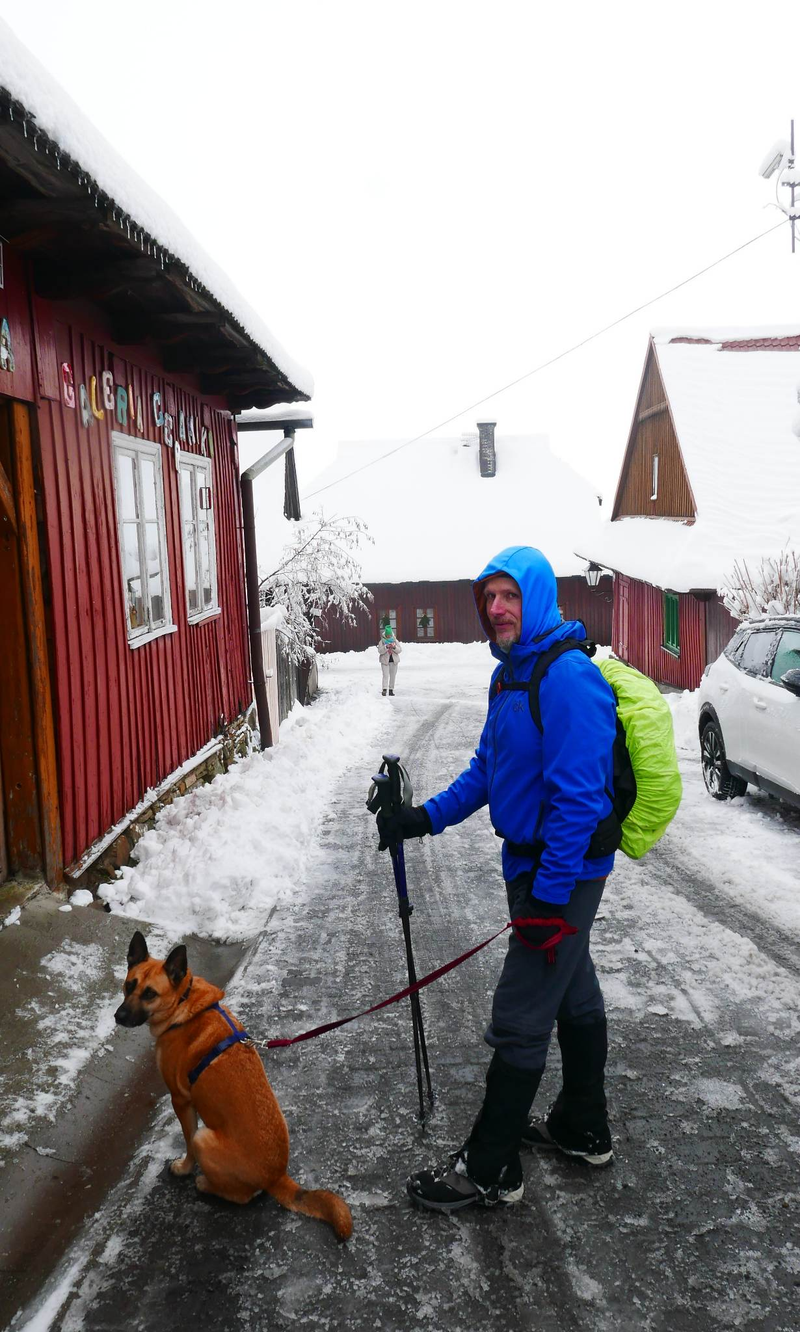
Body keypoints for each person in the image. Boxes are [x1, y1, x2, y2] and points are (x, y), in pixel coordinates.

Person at [374, 546, 618, 1214]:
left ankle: (489, 1168)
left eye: (510, 595)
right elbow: (488, 770)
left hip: (559, 872)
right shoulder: (512, 677)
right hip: (535, 868)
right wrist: (423, 819)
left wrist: (549, 897)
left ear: (535, 597)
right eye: (489, 598)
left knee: (519, 1015)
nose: (497, 608)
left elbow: (578, 802)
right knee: (570, 993)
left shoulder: (566, 678)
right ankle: (582, 1125)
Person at [377, 624, 402, 696]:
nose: (389, 636)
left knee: (393, 676)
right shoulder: (382, 641)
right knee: (385, 675)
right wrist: (386, 647)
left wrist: (394, 647)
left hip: (394, 661)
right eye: (387, 635)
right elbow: (380, 651)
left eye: (390, 635)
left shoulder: (395, 640)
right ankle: (384, 689)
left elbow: (400, 650)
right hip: (385, 661)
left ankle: (391, 690)